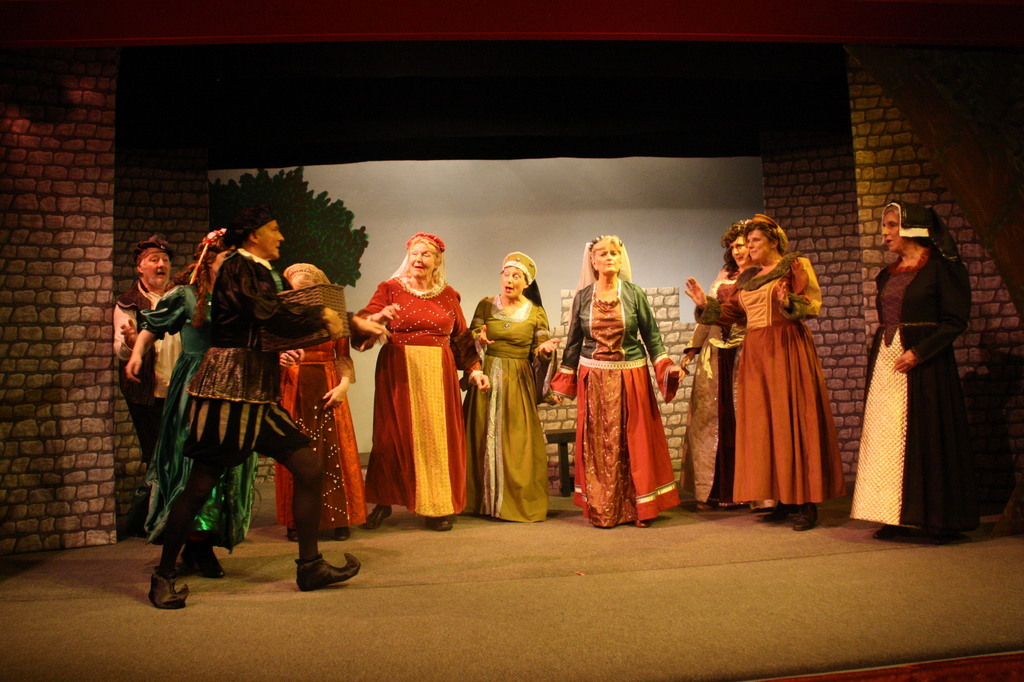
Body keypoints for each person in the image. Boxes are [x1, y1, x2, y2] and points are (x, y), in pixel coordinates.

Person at [147, 206, 384, 609]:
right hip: (228, 391)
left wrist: (345, 321)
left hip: (256, 392)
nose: (281, 237)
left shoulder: (254, 269)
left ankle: (310, 566)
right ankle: (163, 575)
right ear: (254, 235)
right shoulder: (240, 267)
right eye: (274, 230)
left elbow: (271, 315)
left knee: (308, 467)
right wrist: (333, 318)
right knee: (201, 483)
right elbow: (268, 313)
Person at [687, 215, 845, 531]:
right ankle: (781, 499)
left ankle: (805, 502)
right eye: (748, 242)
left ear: (773, 241)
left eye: (756, 240)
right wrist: (705, 304)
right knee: (765, 425)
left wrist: (789, 302)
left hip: (785, 348)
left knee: (792, 421)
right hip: (755, 352)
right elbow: (732, 314)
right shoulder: (748, 277)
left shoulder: (794, 265)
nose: (750, 246)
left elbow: (811, 304)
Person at [126, 230, 256, 580]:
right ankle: (194, 545)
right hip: (195, 385)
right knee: (192, 466)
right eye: (227, 257)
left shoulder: (238, 295)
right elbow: (153, 326)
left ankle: (203, 542)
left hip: (231, 383)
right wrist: (137, 354)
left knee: (226, 466)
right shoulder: (185, 295)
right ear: (209, 259)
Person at [850, 201, 977, 543]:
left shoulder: (941, 269)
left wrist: (920, 352)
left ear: (914, 228)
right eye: (885, 226)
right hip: (887, 359)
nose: (885, 233)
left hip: (926, 364)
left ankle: (935, 520)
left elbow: (955, 321)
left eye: (892, 225)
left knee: (926, 437)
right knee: (886, 437)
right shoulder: (887, 274)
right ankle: (892, 515)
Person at [356, 233, 488, 532]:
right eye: (414, 253)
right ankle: (384, 500)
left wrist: (474, 370)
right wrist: (379, 317)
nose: (418, 259)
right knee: (392, 437)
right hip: (399, 370)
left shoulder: (449, 295)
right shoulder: (389, 289)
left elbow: (461, 336)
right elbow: (364, 321)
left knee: (437, 438)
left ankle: (436, 506)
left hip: (439, 372)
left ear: (437, 261)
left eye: (426, 254)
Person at [550, 235, 682, 528]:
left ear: (621, 259)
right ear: (593, 261)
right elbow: (573, 342)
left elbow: (652, 337)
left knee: (634, 441)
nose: (608, 257)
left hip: (631, 376)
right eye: (602, 253)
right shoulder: (583, 297)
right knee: (600, 444)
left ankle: (639, 508)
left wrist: (667, 366)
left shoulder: (634, 294)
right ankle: (603, 507)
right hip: (595, 378)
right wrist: (563, 383)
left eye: (613, 253)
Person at [462, 252, 561, 522]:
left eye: (516, 276)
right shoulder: (485, 306)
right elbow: (471, 337)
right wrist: (479, 339)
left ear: (526, 283)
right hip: (486, 380)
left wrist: (545, 352)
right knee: (481, 437)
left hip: (517, 381)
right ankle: (480, 502)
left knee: (517, 442)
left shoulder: (536, 312)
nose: (509, 279)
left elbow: (539, 348)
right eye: (506, 274)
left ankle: (515, 503)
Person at [275, 263, 367, 542]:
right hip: (295, 386)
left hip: (328, 384)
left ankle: (340, 518)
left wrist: (343, 386)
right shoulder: (283, 317)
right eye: (295, 291)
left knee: (334, 452)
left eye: (305, 290)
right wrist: (280, 360)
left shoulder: (334, 315)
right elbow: (273, 352)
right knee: (297, 453)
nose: (300, 296)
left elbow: (343, 357)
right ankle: (296, 521)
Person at [678, 222, 750, 510]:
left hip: (746, 354)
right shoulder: (724, 276)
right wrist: (692, 350)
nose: (736, 251)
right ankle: (712, 491)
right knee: (711, 422)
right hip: (715, 356)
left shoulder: (760, 277)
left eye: (741, 245)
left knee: (743, 420)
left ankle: (751, 491)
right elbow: (709, 316)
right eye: (732, 247)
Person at [114, 236, 180, 464]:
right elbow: (120, 352)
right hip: (149, 394)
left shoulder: (180, 298)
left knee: (184, 455)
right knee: (156, 457)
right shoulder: (129, 302)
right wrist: (132, 342)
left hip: (182, 390)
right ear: (140, 267)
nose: (161, 265)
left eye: (165, 260)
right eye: (154, 260)